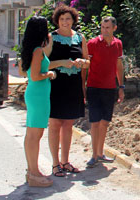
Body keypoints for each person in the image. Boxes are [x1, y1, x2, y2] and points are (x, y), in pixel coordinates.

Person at [20, 16, 74, 187]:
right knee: (35, 135)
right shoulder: (37, 51)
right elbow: (36, 76)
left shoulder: (31, 49)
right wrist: (49, 74)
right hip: (39, 95)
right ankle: (34, 173)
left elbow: (25, 72)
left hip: (35, 95)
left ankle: (32, 170)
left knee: (32, 135)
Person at [45, 4, 88, 177]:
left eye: (68, 18)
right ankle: (55, 164)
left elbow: (88, 61)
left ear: (73, 20)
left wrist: (82, 63)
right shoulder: (51, 37)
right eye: (62, 19)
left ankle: (65, 161)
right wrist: (62, 62)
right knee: (55, 124)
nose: (65, 22)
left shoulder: (80, 37)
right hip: (56, 85)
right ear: (57, 20)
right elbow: (43, 63)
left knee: (68, 124)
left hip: (73, 85)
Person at [83, 16, 124, 167]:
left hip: (110, 88)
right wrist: (83, 87)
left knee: (105, 123)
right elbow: (85, 68)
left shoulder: (118, 44)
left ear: (114, 28)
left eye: (108, 27)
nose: (105, 30)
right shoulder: (92, 44)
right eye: (103, 27)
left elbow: (119, 66)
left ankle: (100, 153)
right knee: (95, 122)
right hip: (94, 87)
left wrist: (121, 87)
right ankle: (94, 155)